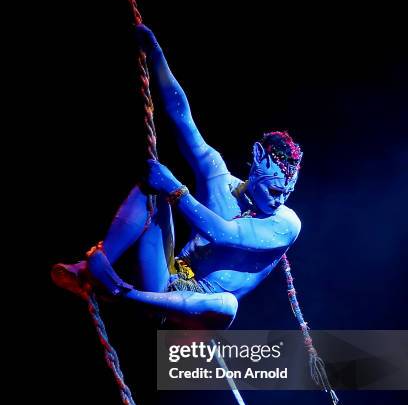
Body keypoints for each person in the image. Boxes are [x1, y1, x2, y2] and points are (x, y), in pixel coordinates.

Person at [52, 25, 303, 329]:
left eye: (286, 194)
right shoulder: (219, 176)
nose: (279, 201)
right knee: (153, 188)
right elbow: (181, 118)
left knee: (228, 304)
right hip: (165, 282)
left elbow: (223, 234)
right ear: (258, 158)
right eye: (276, 190)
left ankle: (118, 292)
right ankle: (89, 272)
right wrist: (156, 55)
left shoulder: (286, 223)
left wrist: (175, 187)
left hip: (199, 311)